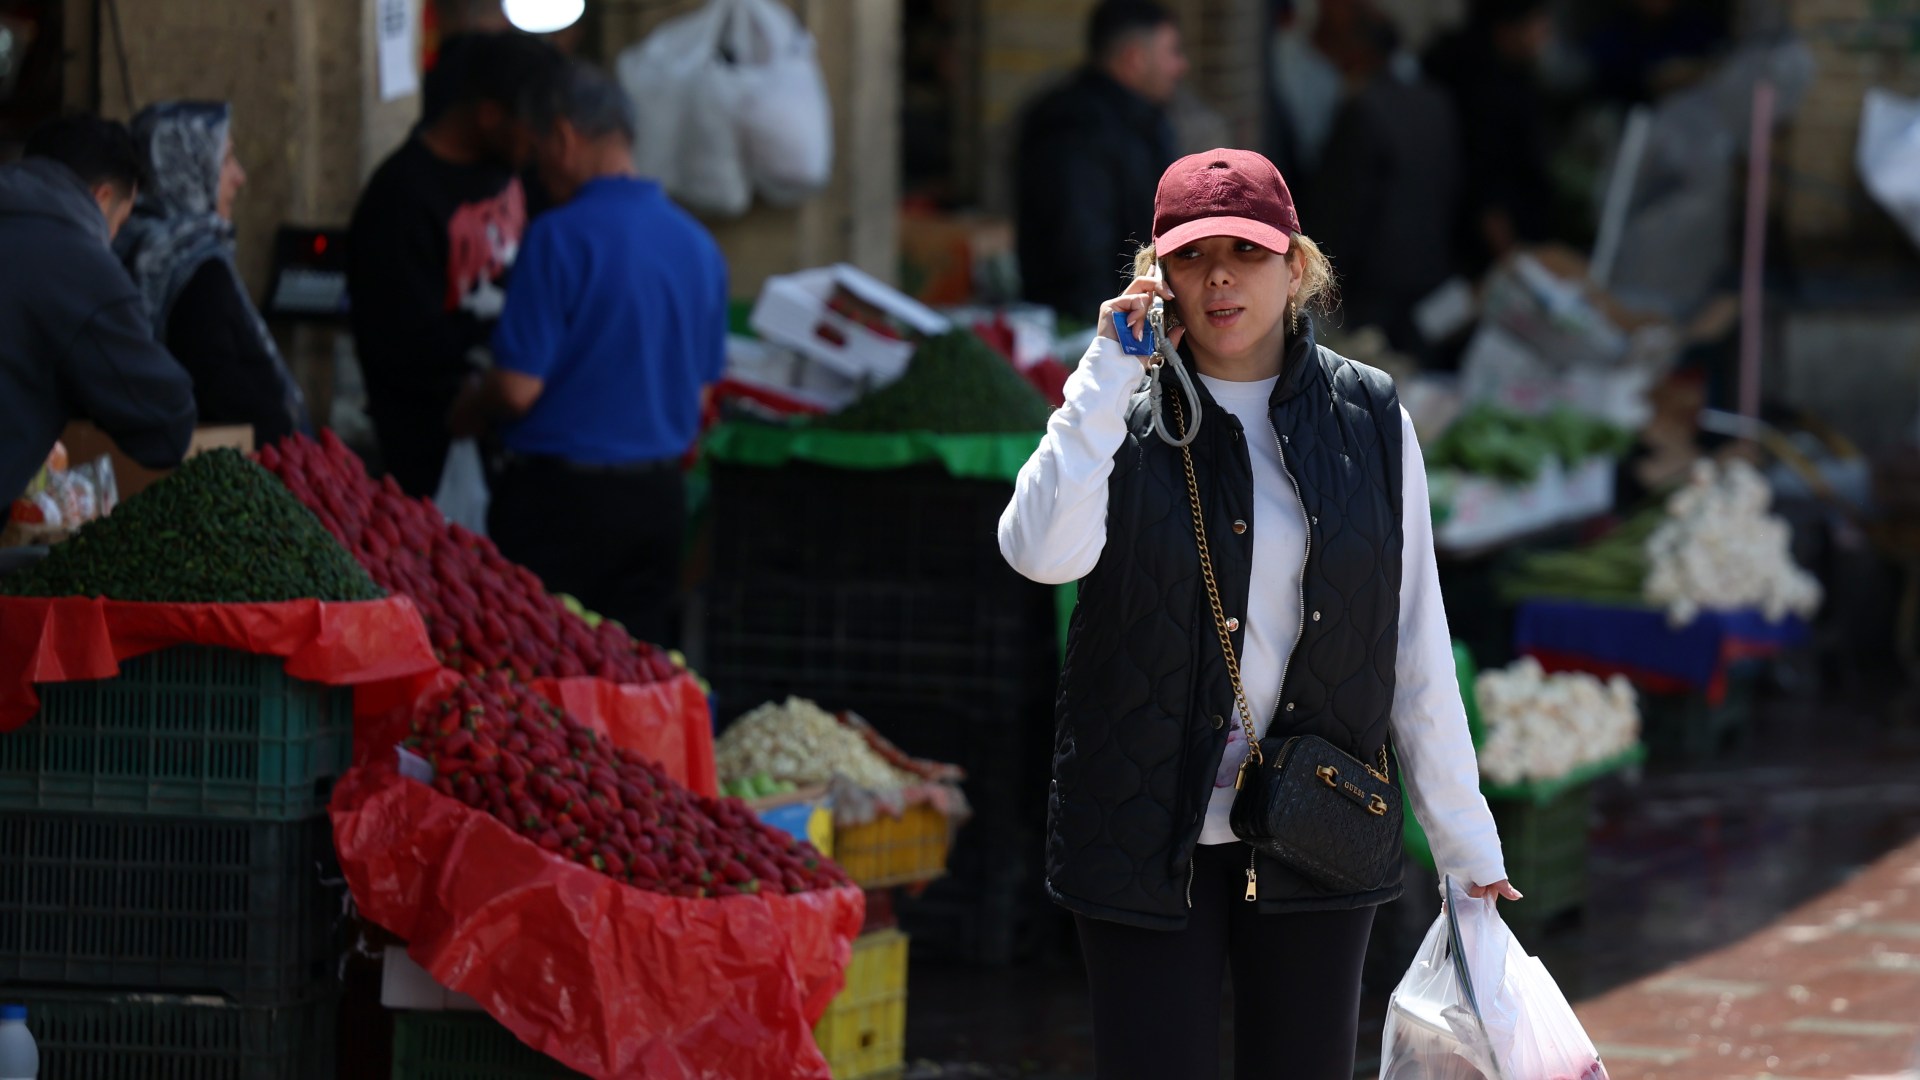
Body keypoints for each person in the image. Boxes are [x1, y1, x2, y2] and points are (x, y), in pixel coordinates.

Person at [998, 149, 1516, 1079]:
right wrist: (1103, 376)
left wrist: (1464, 838)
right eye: (1193, 256)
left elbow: (1413, 638)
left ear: (1296, 266)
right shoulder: (1120, 411)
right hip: (1142, 822)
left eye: (1246, 251)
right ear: (1157, 275)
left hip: (1319, 823)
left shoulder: (1370, 418)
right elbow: (1039, 554)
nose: (1220, 278)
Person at [448, 59, 726, 648]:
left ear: (564, 138)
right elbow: (702, 392)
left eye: (537, 150)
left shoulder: (557, 237)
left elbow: (517, 389)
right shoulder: (698, 245)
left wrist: (471, 405)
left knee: (543, 669)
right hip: (658, 501)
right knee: (636, 672)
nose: (536, 169)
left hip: (561, 508)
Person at [348, 31, 559, 497]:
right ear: (489, 115)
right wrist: (481, 396)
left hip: (512, 444)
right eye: (535, 123)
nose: (545, 139)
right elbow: (402, 346)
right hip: (436, 460)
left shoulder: (520, 172)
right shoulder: (401, 197)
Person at [0, 114, 196, 502]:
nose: (112, 240)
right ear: (102, 197)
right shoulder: (78, 265)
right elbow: (166, 426)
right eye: (120, 223)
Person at [115, 101, 309, 448]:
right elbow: (222, 390)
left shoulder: (128, 246)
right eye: (225, 160)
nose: (239, 177)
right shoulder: (192, 269)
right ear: (186, 169)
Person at [1016, 0, 1188, 320]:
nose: (1180, 66)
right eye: (1172, 52)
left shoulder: (1143, 119)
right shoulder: (1074, 125)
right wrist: (1110, 328)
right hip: (1091, 321)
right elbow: (1078, 245)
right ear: (1135, 57)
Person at [1308, 5, 1463, 355]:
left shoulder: (1363, 110)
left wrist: (1323, 275)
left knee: (1371, 372)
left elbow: (1343, 205)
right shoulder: (1435, 103)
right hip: (1431, 269)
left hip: (1374, 284)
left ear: (1359, 52)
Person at [1424, 0, 1557, 275]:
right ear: (1506, 30)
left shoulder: (1515, 76)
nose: (1544, 32)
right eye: (1536, 22)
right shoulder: (1483, 91)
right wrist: (1514, 266)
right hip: (1480, 251)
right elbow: (1485, 186)